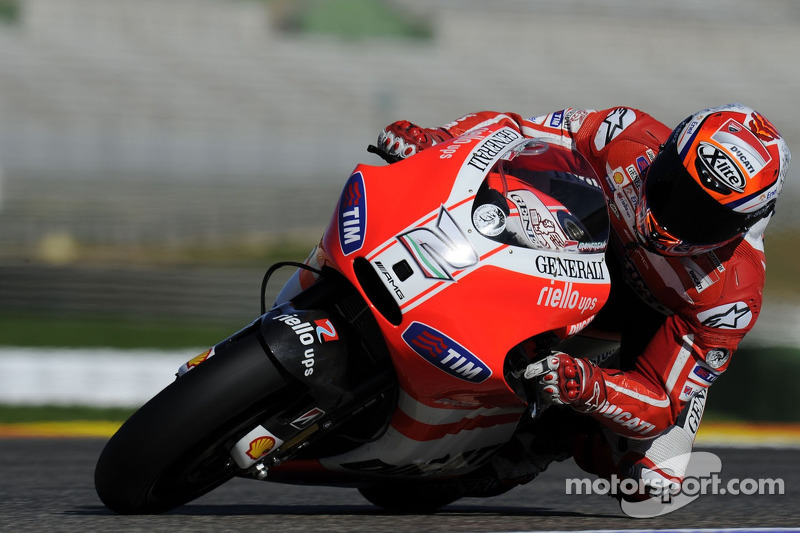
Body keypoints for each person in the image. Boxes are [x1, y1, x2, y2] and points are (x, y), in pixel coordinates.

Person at [371, 104, 790, 502]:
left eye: (704, 215)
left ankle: (546, 437)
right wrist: (437, 140)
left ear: (746, 222)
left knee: (654, 478)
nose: (672, 216)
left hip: (642, 333)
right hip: (566, 245)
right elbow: (513, 132)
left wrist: (588, 387)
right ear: (665, 151)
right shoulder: (624, 134)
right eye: (671, 185)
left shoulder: (732, 293)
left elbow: (660, 401)